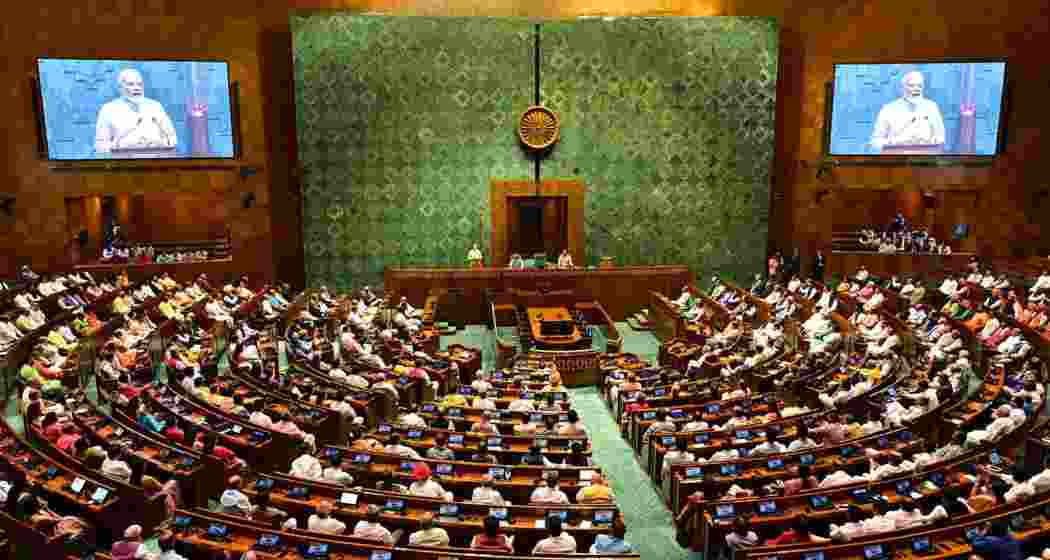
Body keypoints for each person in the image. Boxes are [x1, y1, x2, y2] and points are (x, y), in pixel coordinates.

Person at [95, 68, 178, 155]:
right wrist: (122, 145)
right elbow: (100, 147)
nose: (137, 88)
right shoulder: (108, 109)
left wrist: (159, 143)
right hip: (124, 165)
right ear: (120, 88)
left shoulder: (155, 106)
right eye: (131, 84)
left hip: (155, 163)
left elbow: (172, 139)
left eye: (140, 84)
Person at [871, 71, 946, 154]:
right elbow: (876, 142)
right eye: (911, 85)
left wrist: (932, 141)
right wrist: (895, 142)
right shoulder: (889, 109)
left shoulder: (931, 107)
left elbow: (940, 137)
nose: (916, 89)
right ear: (902, 88)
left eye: (919, 86)